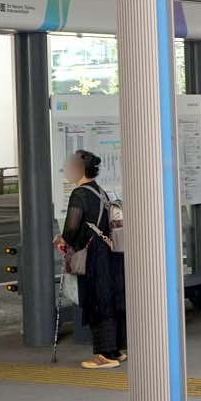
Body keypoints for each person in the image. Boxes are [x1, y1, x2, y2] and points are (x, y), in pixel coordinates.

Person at [53, 150, 128, 369]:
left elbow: (72, 227)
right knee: (109, 299)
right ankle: (115, 349)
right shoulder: (99, 191)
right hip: (107, 252)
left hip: (93, 257)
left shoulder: (80, 194)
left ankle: (104, 355)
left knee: (96, 301)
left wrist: (62, 240)